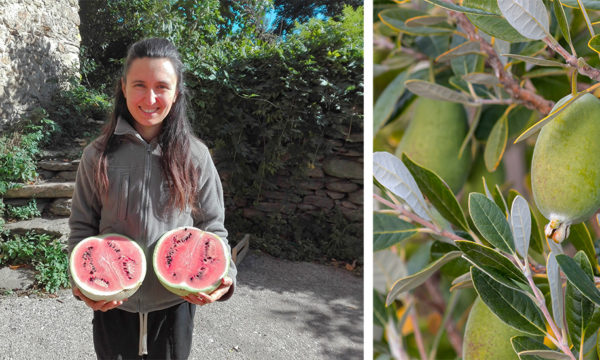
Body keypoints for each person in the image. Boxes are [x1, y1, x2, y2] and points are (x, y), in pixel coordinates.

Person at [68, 37, 237, 359]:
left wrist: (225, 277)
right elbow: (81, 228)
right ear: (123, 87)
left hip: (174, 306)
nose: (150, 98)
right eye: (139, 85)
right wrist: (82, 287)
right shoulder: (97, 155)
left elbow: (213, 227)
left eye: (162, 86)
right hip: (113, 305)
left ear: (176, 92)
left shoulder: (196, 156)